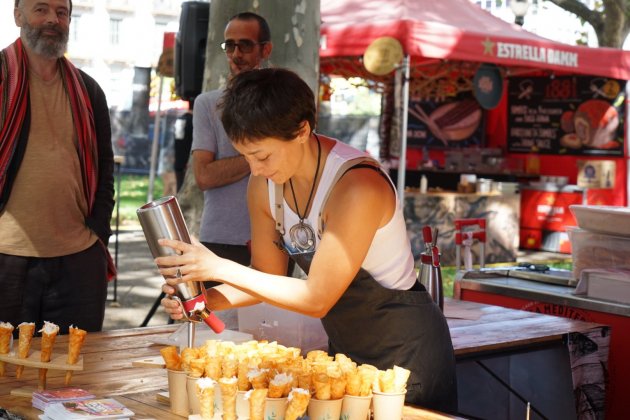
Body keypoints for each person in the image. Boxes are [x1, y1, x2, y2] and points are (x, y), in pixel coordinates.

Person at [157, 68, 459, 413]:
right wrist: (204, 300)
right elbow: (265, 277)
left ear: (302, 130)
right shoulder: (264, 186)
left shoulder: (357, 185)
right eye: (246, 156)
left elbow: (317, 299)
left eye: (263, 156)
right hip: (345, 355)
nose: (254, 169)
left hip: (407, 355)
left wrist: (218, 266)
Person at [0, 0, 115, 335]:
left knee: (77, 377)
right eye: (41, 9)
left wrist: (98, 233)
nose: (53, 19)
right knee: (5, 378)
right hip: (5, 258)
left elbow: (104, 169)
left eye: (62, 13)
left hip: (77, 261)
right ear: (18, 16)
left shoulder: (88, 89)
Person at [191, 12, 273, 269]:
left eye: (245, 45)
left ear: (265, 49)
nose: (236, 54)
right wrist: (264, 154)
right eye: (230, 45)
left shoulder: (281, 103)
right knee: (215, 310)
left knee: (269, 311)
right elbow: (203, 176)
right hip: (221, 236)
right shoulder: (207, 104)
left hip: (276, 236)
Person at [173, 101, 193, 192]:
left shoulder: (180, 120)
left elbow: (178, 141)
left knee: (179, 188)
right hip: (187, 162)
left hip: (179, 160)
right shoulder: (194, 122)